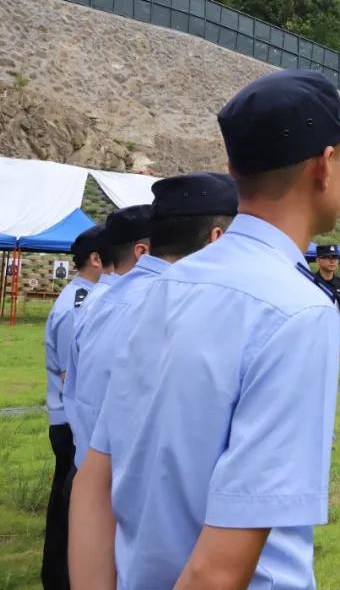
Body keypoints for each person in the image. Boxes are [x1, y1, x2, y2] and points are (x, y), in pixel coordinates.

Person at [69, 69, 340, 589]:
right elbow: (217, 571)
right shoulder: (299, 313)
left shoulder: (160, 286)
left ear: (234, 167)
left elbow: (95, 480)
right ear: (326, 166)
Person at [68, 174, 238, 471]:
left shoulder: (101, 299)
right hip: (132, 494)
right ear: (216, 238)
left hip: (89, 475)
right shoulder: (180, 308)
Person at [40, 224, 104, 590]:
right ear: (96, 259)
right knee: (71, 509)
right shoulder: (75, 307)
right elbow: (72, 377)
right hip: (70, 423)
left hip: (73, 420)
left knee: (69, 506)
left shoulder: (85, 298)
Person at [65, 205, 152, 466]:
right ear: (142, 253)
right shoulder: (131, 305)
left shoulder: (100, 301)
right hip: (109, 463)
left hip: (89, 452)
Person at [315, 243, 340, 362]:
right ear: (318, 260)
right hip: (314, 339)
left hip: (335, 339)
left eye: (335, 258)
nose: (332, 261)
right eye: (328, 257)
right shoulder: (310, 283)